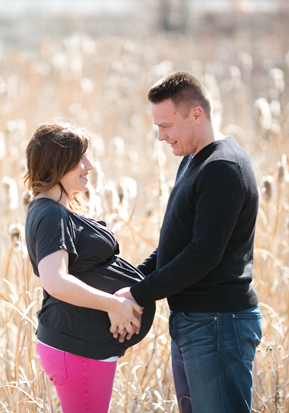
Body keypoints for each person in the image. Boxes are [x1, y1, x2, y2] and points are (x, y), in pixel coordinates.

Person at [116, 71, 262, 412]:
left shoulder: (222, 167)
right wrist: (131, 281)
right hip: (194, 321)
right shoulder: (193, 161)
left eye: (166, 126)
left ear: (197, 114)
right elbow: (177, 244)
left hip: (218, 324)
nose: (160, 136)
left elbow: (202, 255)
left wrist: (138, 294)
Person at [24, 122, 156, 412]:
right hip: (77, 347)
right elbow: (55, 280)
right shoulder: (50, 214)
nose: (90, 165)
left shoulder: (54, 210)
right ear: (57, 164)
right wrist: (113, 305)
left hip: (81, 345)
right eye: (80, 159)